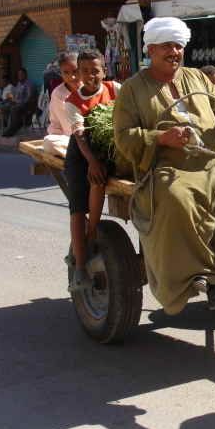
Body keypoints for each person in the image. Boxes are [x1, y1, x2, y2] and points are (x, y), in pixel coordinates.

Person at [113, 16, 215, 314]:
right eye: (166, 46)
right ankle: (195, 277)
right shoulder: (132, 89)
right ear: (150, 50)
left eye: (178, 46)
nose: (174, 52)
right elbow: (124, 138)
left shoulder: (198, 77)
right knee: (178, 198)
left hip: (213, 160)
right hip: (168, 166)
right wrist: (162, 138)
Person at [64, 50, 121, 292]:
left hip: (106, 149)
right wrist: (91, 162)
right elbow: (79, 135)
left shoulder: (114, 88)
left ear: (104, 71)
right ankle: (78, 268)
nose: (91, 76)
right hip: (81, 152)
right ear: (78, 74)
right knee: (78, 207)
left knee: (99, 182)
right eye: (85, 71)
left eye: (95, 71)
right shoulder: (72, 102)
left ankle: (91, 234)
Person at [43, 52, 79, 157]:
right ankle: (77, 154)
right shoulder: (57, 94)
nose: (71, 77)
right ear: (61, 74)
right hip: (69, 141)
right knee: (49, 142)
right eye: (66, 73)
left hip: (90, 140)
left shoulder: (89, 89)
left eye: (75, 71)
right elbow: (55, 124)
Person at [1, 68, 37, 137]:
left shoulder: (30, 84)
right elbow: (16, 96)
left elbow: (29, 98)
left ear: (25, 75)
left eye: (21, 74)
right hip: (18, 103)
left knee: (14, 108)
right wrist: (11, 99)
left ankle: (12, 128)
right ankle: (13, 125)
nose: (20, 76)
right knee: (4, 107)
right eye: (18, 75)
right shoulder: (19, 84)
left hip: (27, 105)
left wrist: (18, 102)